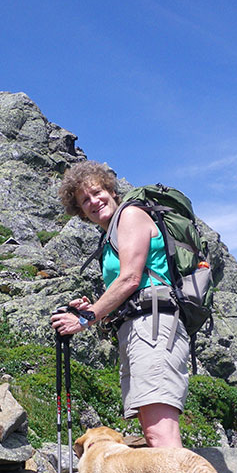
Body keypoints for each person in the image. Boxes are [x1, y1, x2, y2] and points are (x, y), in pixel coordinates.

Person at [51, 161, 190, 448]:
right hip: (138, 326)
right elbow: (129, 288)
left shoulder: (130, 216)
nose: (93, 202)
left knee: (160, 435)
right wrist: (94, 307)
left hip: (153, 326)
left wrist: (85, 318)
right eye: (84, 200)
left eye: (97, 192)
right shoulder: (110, 235)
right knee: (152, 432)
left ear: (112, 190)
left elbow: (129, 279)